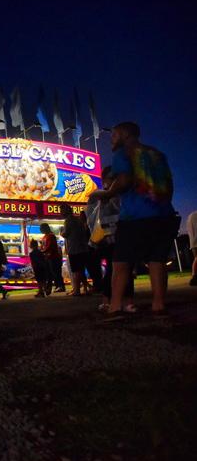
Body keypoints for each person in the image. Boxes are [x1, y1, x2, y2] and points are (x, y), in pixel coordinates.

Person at [89, 122, 178, 318]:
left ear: (124, 135)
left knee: (121, 263)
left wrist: (107, 193)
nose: (112, 139)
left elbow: (124, 180)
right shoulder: (157, 154)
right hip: (163, 215)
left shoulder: (124, 153)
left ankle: (114, 307)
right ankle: (158, 305)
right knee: (157, 261)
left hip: (134, 217)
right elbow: (169, 184)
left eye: (114, 135)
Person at [87, 166, 135, 313]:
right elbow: (95, 197)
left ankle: (127, 301)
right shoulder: (99, 194)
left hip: (124, 234)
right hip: (108, 238)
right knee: (112, 269)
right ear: (105, 179)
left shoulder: (122, 195)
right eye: (112, 178)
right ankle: (107, 300)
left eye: (116, 178)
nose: (115, 181)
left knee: (127, 269)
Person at [60, 204, 89, 296]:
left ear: (66, 211)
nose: (61, 213)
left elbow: (65, 234)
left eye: (62, 211)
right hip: (82, 248)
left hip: (74, 248)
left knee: (76, 270)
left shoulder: (68, 221)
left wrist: (61, 232)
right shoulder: (78, 220)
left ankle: (77, 291)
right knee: (81, 270)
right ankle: (85, 288)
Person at [40, 223, 65, 294]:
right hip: (47, 257)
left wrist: (42, 251)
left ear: (46, 228)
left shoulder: (51, 236)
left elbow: (50, 246)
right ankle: (50, 288)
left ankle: (60, 286)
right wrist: (42, 250)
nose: (41, 230)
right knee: (49, 274)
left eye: (42, 228)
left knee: (56, 272)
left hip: (53, 257)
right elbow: (43, 246)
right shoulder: (44, 237)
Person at [187, 211, 197, 286]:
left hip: (193, 241)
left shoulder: (191, 215)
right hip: (195, 241)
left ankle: (194, 276)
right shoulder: (194, 215)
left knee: (196, 258)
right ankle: (194, 276)